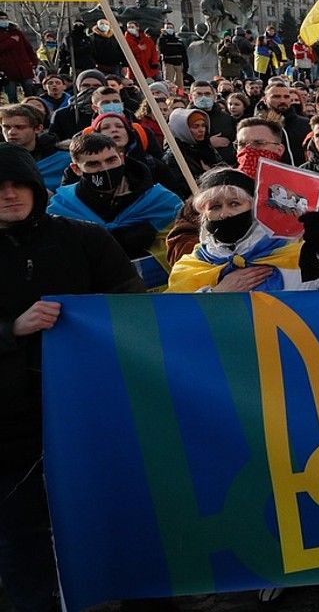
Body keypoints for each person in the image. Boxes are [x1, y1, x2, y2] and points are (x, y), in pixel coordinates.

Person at [0, 144, 143, 612]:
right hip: (10, 420)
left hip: (88, 405)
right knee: (21, 528)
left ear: (37, 188)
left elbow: (131, 310)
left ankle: (132, 592)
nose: (9, 195)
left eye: (18, 183)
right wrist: (12, 330)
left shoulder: (85, 239)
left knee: (111, 507)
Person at [167, 168, 319, 292]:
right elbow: (173, 322)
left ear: (254, 207)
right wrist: (217, 294)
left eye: (234, 204)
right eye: (215, 207)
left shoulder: (296, 252)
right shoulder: (191, 266)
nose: (225, 214)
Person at [48, 132, 184, 289]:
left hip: (156, 291)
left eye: (111, 160)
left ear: (122, 158)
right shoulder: (61, 208)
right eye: (93, 164)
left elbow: (185, 246)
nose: (104, 169)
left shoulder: (162, 201)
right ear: (76, 169)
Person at [1, 103, 69, 192]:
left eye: (19, 127)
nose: (11, 132)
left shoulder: (63, 159)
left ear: (38, 129)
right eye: (6, 127)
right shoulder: (2, 158)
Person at [163, 107, 226, 198]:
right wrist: (207, 176)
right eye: (195, 126)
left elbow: (224, 171)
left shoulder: (206, 148)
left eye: (203, 125)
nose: (202, 130)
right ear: (182, 129)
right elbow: (181, 190)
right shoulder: (173, 157)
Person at [0, 11, 38, 102]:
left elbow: (28, 47)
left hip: (24, 67)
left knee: (30, 91)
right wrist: (11, 41)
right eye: (1, 19)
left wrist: (34, 61)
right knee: (12, 95)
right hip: (7, 70)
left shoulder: (16, 32)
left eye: (5, 19)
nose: (4, 21)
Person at [157, 22, 187, 86]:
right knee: (169, 83)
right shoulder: (162, 39)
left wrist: (185, 66)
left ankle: (180, 95)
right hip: (168, 64)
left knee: (180, 84)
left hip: (179, 64)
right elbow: (162, 50)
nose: (169, 29)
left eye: (171, 28)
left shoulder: (179, 40)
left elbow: (184, 54)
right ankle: (170, 95)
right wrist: (163, 36)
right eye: (167, 28)